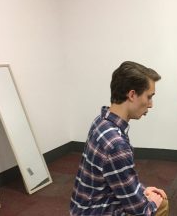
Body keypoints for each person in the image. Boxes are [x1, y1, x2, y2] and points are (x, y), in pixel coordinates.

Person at [70, 61, 169, 216]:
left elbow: (115, 176)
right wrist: (152, 203)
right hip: (97, 211)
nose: (151, 105)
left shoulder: (101, 121)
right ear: (131, 95)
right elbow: (140, 211)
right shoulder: (116, 144)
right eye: (149, 97)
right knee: (161, 204)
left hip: (83, 207)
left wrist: (142, 190)